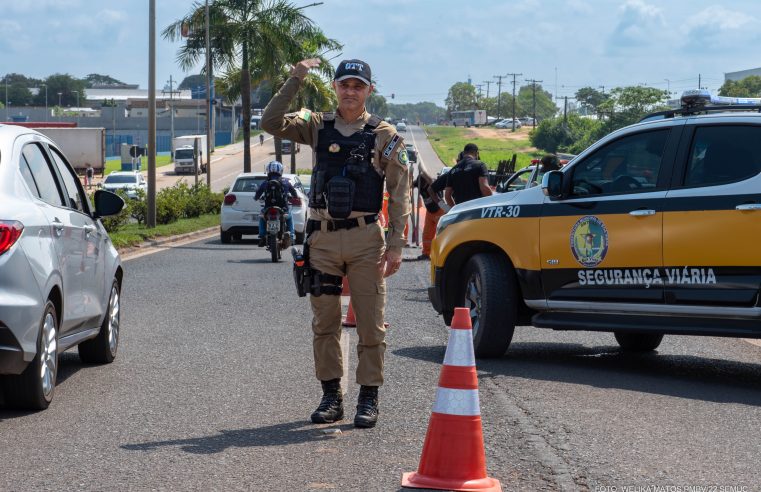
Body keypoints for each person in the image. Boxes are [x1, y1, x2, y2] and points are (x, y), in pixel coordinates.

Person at [261, 58, 410, 428]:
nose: (350, 91)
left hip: (365, 240)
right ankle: (331, 397)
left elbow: (399, 191)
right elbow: (270, 122)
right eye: (344, 84)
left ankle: (368, 398)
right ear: (334, 87)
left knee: (371, 325)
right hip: (323, 239)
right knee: (324, 322)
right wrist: (296, 78)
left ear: (369, 91)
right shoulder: (316, 126)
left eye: (358, 85)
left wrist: (395, 245)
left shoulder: (383, 135)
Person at [254, 160, 298, 246]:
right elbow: (294, 193)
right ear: (280, 171)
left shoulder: (265, 183)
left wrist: (256, 198)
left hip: (268, 208)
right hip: (283, 209)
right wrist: (294, 197)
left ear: (268, 171)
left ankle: (262, 236)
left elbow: (257, 195)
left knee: (262, 218)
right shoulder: (285, 182)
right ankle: (292, 236)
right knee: (289, 217)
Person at [415, 166, 449, 260]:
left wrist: (423, 171)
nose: (422, 188)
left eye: (423, 185)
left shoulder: (433, 183)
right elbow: (409, 185)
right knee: (427, 234)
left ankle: (442, 254)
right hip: (429, 212)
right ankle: (426, 253)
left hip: (439, 211)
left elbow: (430, 180)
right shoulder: (419, 183)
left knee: (441, 233)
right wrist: (410, 174)